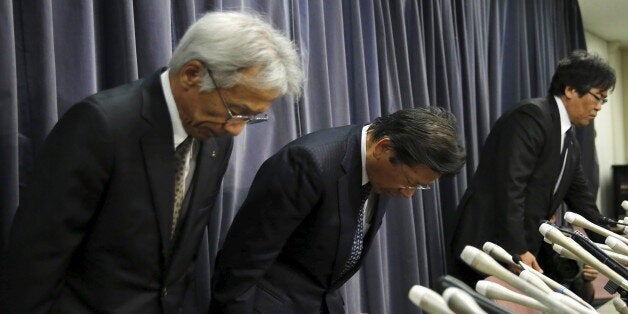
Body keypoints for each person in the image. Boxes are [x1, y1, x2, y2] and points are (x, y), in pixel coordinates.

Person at [0, 11, 303, 313]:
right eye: (236, 110)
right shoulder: (103, 125)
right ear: (192, 74)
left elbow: (177, 256)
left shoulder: (215, 137)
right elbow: (36, 259)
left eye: (250, 118)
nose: (236, 129)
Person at [209, 107, 466, 313]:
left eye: (420, 188)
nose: (408, 194)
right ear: (382, 148)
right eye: (410, 182)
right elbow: (241, 263)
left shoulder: (385, 171)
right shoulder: (308, 163)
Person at [448, 50, 616, 286]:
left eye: (603, 100)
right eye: (597, 97)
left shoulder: (569, 141)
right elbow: (510, 187)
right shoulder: (531, 118)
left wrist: (614, 245)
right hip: (487, 242)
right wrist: (517, 248)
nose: (599, 107)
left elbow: (583, 202)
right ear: (570, 90)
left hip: (520, 248)